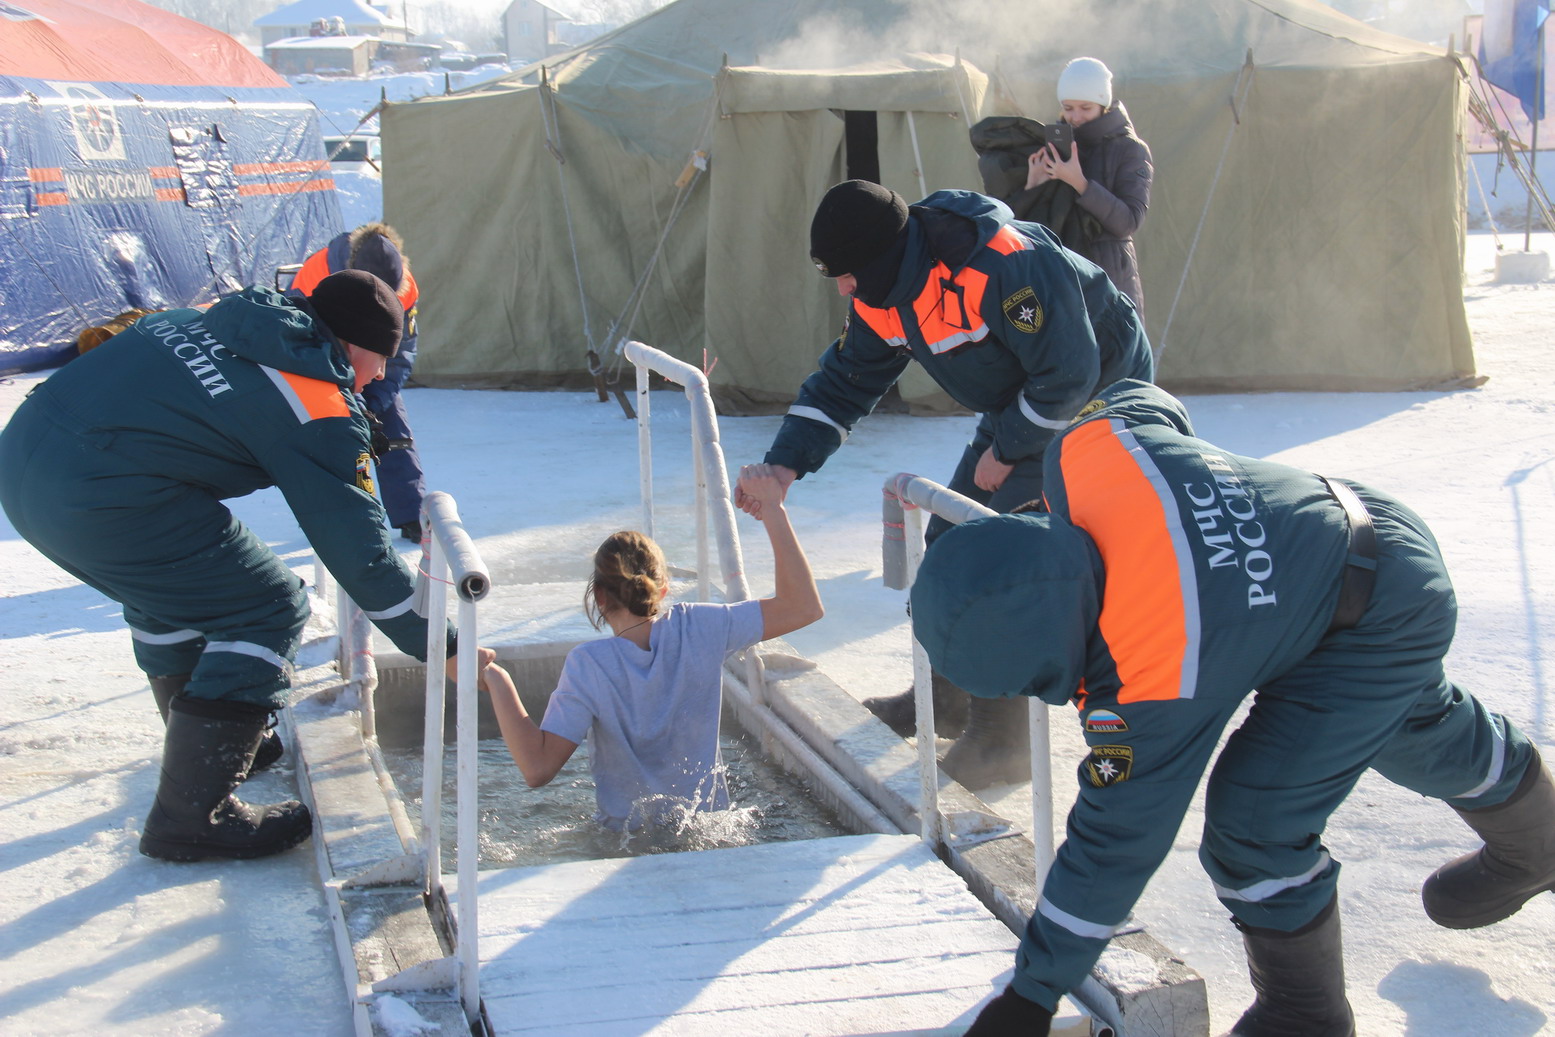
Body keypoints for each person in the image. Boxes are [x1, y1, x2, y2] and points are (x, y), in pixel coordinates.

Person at [908, 379, 1555, 1037]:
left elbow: (1114, 843)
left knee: (1254, 822)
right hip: (1355, 526)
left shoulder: (1155, 671)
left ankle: (1303, 1017)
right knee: (1413, 728)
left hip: (1372, 618)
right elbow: (1140, 394)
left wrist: (1031, 993)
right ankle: (1544, 840)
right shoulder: (1087, 450)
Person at [0, 270, 475, 863]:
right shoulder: (316, 404)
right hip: (100, 496)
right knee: (267, 605)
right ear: (354, 345)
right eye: (382, 358)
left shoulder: (215, 318)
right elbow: (363, 557)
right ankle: (192, 815)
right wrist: (446, 645)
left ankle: (214, 749)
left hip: (25, 465)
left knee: (177, 585)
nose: (380, 375)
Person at [740, 177, 1154, 789]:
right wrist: (784, 465)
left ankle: (1003, 741)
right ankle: (945, 698)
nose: (844, 288)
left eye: (847, 274)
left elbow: (1068, 374)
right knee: (948, 541)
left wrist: (1006, 449)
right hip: (1023, 396)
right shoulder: (883, 289)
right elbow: (845, 381)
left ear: (881, 258)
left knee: (997, 559)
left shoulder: (1005, 263)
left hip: (1095, 397)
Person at [478, 464, 824, 832]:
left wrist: (495, 678)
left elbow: (537, 769)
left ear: (598, 596)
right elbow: (804, 607)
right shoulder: (700, 627)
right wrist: (773, 508)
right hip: (710, 832)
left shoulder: (589, 666)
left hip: (625, 841)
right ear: (662, 590)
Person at [290, 222, 427, 542]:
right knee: (328, 433)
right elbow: (300, 343)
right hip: (321, 361)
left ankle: (411, 513)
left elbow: (400, 353)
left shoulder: (405, 287)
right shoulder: (316, 275)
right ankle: (333, 515)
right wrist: (347, 398)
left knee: (392, 430)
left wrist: (373, 403)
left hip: (369, 358)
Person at [998, 56, 1152, 315]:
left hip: (1108, 282)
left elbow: (1128, 221)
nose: (1076, 116)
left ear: (1103, 105)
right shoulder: (1052, 144)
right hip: (1059, 279)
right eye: (1068, 108)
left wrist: (1080, 183)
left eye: (1085, 107)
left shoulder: (1130, 149)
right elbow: (1023, 232)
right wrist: (1033, 186)